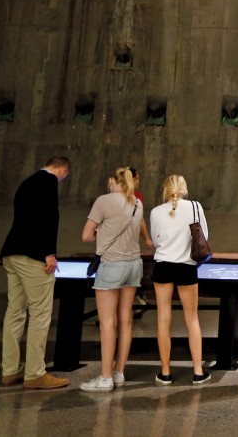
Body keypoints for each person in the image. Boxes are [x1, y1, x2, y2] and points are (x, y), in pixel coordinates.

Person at [0, 156, 72, 390]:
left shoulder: (27, 182)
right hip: (33, 256)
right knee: (40, 313)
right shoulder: (49, 182)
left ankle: (10, 370)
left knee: (15, 312)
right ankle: (34, 373)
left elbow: (24, 219)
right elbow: (49, 218)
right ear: (62, 169)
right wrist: (49, 252)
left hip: (11, 252)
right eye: (64, 175)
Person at [79, 167, 152, 392]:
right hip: (133, 266)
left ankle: (105, 378)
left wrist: (103, 233)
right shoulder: (137, 204)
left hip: (111, 265)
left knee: (107, 323)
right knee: (126, 320)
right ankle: (119, 372)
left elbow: (86, 236)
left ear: (112, 181)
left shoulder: (104, 201)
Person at [149, 174, 210, 385]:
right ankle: (197, 371)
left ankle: (165, 372)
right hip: (186, 267)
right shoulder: (195, 206)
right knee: (191, 318)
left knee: (163, 318)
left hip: (163, 266)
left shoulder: (156, 212)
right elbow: (204, 237)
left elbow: (156, 240)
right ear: (184, 189)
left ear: (165, 189)